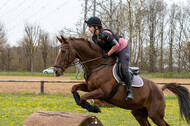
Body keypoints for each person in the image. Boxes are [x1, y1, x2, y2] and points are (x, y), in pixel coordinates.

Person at [85, 16, 133, 100]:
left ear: (96, 27)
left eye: (90, 27)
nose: (89, 29)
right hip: (112, 50)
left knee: (124, 69)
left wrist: (108, 54)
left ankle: (129, 91)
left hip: (121, 49)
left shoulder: (105, 34)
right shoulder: (94, 38)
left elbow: (116, 45)